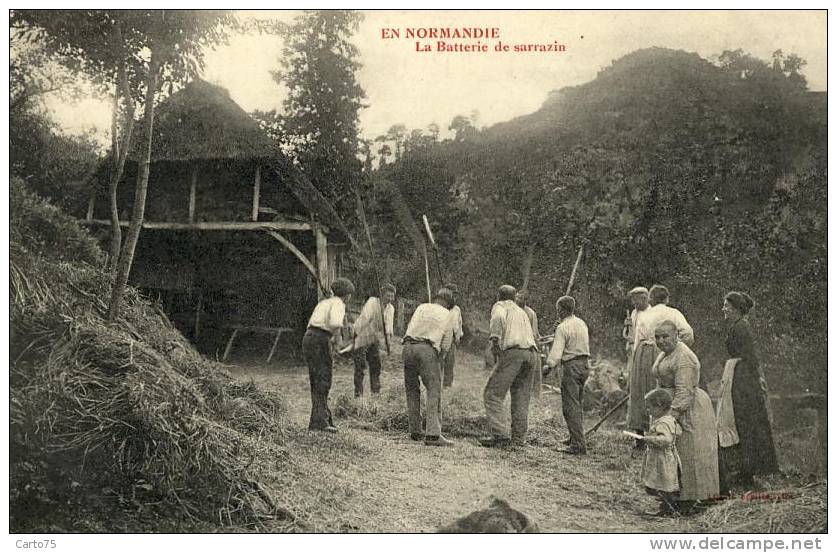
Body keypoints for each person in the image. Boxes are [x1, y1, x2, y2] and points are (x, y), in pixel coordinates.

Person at [652, 320, 719, 510]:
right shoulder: (665, 354)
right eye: (657, 337)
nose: (661, 341)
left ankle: (688, 501)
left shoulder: (684, 357)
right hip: (668, 405)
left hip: (688, 409)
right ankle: (670, 497)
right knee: (669, 454)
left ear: (676, 336)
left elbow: (685, 391)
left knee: (688, 454)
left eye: (665, 336)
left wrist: (670, 417)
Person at [717, 292, 779, 493]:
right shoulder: (738, 326)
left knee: (746, 420)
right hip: (740, 377)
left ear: (735, 308)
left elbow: (751, 356)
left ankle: (751, 469)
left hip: (743, 380)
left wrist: (755, 379)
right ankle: (746, 468)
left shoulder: (741, 327)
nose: (723, 309)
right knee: (742, 420)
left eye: (726, 305)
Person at [480, 285, 538, 448]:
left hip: (514, 353)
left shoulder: (500, 306)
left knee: (492, 394)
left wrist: (495, 341)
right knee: (521, 397)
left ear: (499, 296)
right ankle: (519, 438)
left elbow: (498, 319)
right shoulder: (522, 311)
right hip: (531, 354)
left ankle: (500, 435)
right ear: (513, 297)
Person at [402, 288, 455, 446]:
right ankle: (433, 434)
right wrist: (440, 358)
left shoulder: (421, 307)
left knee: (412, 389)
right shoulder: (448, 314)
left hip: (408, 346)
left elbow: (410, 326)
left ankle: (415, 430)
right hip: (427, 349)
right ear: (448, 304)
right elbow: (446, 342)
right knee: (433, 390)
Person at [302, 277, 355, 433]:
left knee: (316, 379)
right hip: (319, 339)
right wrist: (338, 345)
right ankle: (321, 422)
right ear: (347, 295)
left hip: (309, 337)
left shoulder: (324, 302)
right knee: (324, 380)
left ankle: (319, 419)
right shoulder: (339, 303)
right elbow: (335, 324)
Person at [543, 295, 591, 454]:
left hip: (571, 365)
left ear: (561, 310)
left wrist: (547, 367)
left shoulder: (562, 328)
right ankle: (575, 437)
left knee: (570, 406)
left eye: (558, 310)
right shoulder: (581, 322)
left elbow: (556, 353)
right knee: (578, 403)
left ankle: (578, 444)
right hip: (584, 364)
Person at [641, 388, 683, 516]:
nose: (648, 411)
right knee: (663, 482)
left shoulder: (664, 422)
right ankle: (665, 506)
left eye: (650, 408)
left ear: (659, 407)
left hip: (663, 458)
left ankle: (668, 508)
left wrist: (650, 439)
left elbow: (666, 439)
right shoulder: (668, 419)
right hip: (661, 456)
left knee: (664, 482)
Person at [350, 283, 396, 397]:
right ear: (382, 295)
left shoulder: (390, 309)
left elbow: (388, 328)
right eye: (387, 296)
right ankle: (358, 395)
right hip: (361, 334)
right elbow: (365, 318)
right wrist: (355, 334)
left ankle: (375, 393)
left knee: (376, 365)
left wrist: (388, 345)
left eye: (392, 296)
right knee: (360, 365)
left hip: (373, 336)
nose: (389, 299)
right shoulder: (372, 302)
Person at [627, 286, 656, 449]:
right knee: (636, 393)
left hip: (649, 354)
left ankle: (652, 436)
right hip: (637, 353)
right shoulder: (634, 313)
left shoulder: (653, 314)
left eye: (636, 299)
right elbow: (633, 337)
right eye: (632, 300)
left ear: (645, 299)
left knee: (648, 391)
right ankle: (638, 438)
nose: (634, 303)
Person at [515, 288, 542, 401]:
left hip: (527, 344)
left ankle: (535, 395)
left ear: (525, 300)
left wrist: (537, 341)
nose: (517, 300)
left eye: (520, 298)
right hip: (514, 344)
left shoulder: (530, 313)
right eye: (516, 297)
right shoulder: (512, 311)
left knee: (536, 365)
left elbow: (534, 332)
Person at [442, 283, 463, 389]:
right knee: (439, 359)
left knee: (449, 362)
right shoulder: (442, 307)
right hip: (442, 336)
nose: (453, 298)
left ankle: (447, 385)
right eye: (451, 295)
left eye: (455, 295)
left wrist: (458, 336)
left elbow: (459, 324)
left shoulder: (457, 309)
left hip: (453, 338)